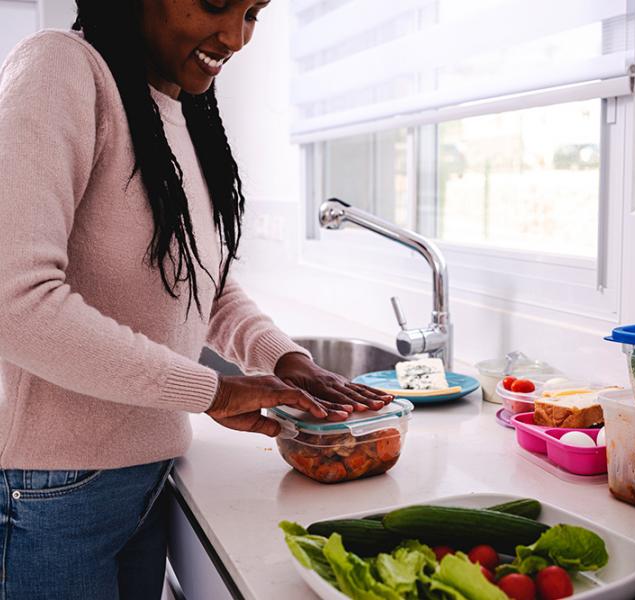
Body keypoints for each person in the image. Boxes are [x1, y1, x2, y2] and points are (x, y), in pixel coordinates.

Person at [0, 1, 393, 598]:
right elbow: (15, 303)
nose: (235, 37)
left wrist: (285, 358)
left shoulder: (177, 110)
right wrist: (208, 389)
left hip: (146, 471)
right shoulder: (62, 69)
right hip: (53, 492)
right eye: (215, 3)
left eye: (254, 12)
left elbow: (196, 279)